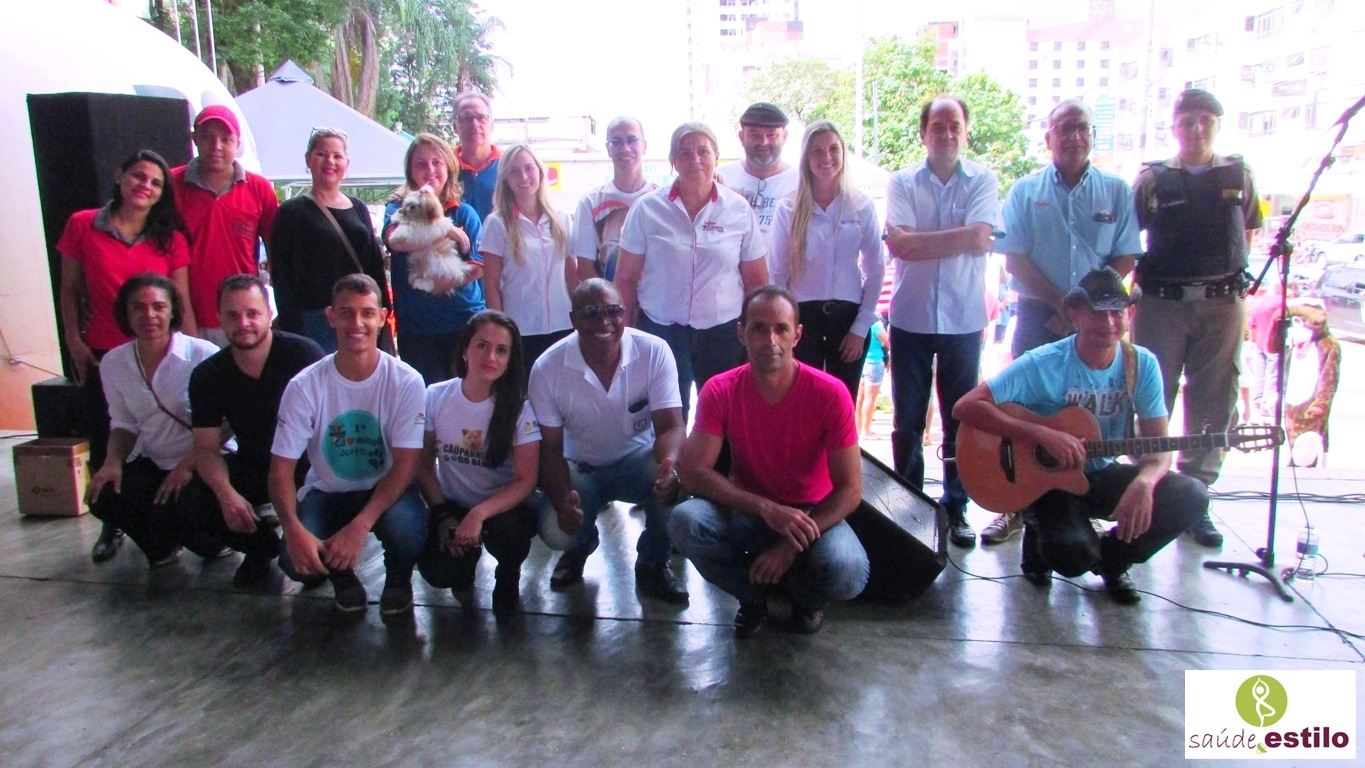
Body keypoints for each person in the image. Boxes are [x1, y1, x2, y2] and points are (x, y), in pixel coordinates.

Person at [953, 268, 1207, 603]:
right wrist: (1041, 434)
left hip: (1101, 474)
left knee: (1191, 495)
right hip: (1049, 485)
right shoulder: (1045, 362)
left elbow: (1159, 447)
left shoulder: (1141, 364)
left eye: (1117, 313)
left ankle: (1113, 561)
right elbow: (966, 407)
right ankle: (1043, 533)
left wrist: (1145, 482)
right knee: (1071, 556)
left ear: (1130, 314)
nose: (1109, 323)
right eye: (1098, 313)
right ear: (1075, 315)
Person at [980, 98, 1142, 548]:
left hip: (1100, 320)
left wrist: (1088, 311)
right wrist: (1065, 306)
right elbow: (1014, 257)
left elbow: (1126, 255)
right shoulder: (1025, 192)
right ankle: (1015, 506)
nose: (1074, 136)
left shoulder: (1116, 191)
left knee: (1096, 409)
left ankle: (1087, 500)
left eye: (1083, 128)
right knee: (1024, 408)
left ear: (1093, 135)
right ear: (1048, 137)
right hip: (1040, 315)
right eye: (1064, 128)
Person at [670, 286, 868, 637]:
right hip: (749, 509)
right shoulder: (720, 389)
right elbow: (693, 473)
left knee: (848, 569)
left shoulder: (830, 392)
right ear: (741, 333)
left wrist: (788, 546)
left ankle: (805, 600)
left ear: (797, 335)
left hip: (812, 515)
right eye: (758, 329)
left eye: (781, 329)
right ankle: (752, 597)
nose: (770, 340)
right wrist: (764, 507)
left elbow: (851, 489)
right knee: (685, 521)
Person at [1132, 88, 1263, 548]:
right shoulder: (1153, 179)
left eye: (1206, 120)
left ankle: (1195, 497)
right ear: (1174, 127)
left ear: (1218, 125)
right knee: (1151, 397)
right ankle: (1147, 491)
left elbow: (1247, 231)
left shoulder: (1238, 174)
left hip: (1221, 303)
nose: (1196, 129)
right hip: (1162, 302)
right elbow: (1131, 236)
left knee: (1213, 400)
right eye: (1187, 121)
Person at [57, 149, 196, 563]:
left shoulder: (170, 238)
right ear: (119, 176)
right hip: (103, 351)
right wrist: (74, 341)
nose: (145, 186)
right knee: (106, 433)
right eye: (138, 176)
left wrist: (193, 354)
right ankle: (112, 522)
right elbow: (69, 291)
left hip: (161, 349)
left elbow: (181, 299)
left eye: (155, 182)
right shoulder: (83, 224)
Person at [269, 274, 428, 618]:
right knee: (293, 560)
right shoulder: (304, 386)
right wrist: (293, 529)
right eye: (346, 313)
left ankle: (398, 579)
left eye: (367, 313)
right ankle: (342, 577)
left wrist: (360, 525)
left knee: (410, 533)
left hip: (387, 489)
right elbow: (280, 470)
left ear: (383, 318)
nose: (357, 323)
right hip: (328, 491)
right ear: (330, 317)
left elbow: (406, 465)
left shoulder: (406, 381)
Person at [883, 95, 1002, 549]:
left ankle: (956, 506)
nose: (946, 133)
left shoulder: (984, 180)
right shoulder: (902, 181)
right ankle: (908, 505)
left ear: (965, 131)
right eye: (937, 125)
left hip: (963, 320)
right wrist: (964, 238)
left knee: (960, 420)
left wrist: (920, 241)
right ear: (923, 132)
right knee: (907, 420)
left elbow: (981, 236)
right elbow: (902, 247)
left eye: (955, 125)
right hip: (910, 318)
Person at [529, 279, 689, 604]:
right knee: (556, 529)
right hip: (580, 471)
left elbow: (671, 426)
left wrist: (671, 468)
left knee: (677, 487)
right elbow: (550, 449)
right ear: (573, 320)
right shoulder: (547, 369)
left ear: (625, 313)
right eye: (591, 313)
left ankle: (653, 563)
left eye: (613, 311)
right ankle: (580, 544)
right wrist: (561, 501)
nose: (604, 321)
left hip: (638, 462)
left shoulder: (654, 351)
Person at [616, 122, 769, 419]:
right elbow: (625, 278)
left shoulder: (738, 210)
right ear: (673, 160)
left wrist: (755, 332)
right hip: (661, 331)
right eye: (684, 153)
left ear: (716, 157)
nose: (694, 160)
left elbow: (757, 283)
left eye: (703, 151)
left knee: (725, 416)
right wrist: (627, 333)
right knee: (666, 416)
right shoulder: (646, 209)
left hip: (723, 333)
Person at [189, 274, 324, 588]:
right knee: (193, 496)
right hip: (255, 465)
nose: (243, 323)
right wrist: (226, 494)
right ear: (219, 318)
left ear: (269, 313)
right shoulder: (208, 374)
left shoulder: (303, 354)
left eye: (252, 313)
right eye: (233, 315)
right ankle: (260, 547)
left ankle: (302, 542)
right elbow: (206, 448)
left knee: (308, 568)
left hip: (310, 471)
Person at [84, 273, 223, 568]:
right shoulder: (113, 362)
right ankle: (161, 547)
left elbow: (226, 425)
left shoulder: (203, 354)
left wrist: (187, 466)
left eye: (159, 306)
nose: (149, 315)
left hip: (207, 459)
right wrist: (112, 462)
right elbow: (123, 423)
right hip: (156, 460)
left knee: (185, 510)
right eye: (138, 307)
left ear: (173, 311)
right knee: (102, 495)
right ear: (125, 313)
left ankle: (214, 541)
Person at [416, 310, 547, 613]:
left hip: (503, 508)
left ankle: (508, 572)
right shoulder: (435, 396)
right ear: (465, 349)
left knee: (511, 534)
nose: (491, 357)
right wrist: (442, 515)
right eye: (482, 346)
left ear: (510, 359)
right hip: (452, 504)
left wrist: (479, 513)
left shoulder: (520, 408)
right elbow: (423, 465)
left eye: (502, 350)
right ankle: (464, 567)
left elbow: (527, 481)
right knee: (438, 572)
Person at [769, 119, 884, 400]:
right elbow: (777, 275)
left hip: (848, 321)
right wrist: (784, 328)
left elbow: (875, 271)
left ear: (843, 153)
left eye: (833, 149)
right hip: (801, 318)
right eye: (817, 150)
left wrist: (860, 329)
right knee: (802, 401)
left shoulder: (861, 206)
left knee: (842, 402)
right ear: (806, 157)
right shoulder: (788, 208)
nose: (826, 157)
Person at [271, 127, 389, 353]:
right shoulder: (291, 211)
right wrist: (291, 324)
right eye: (321, 154)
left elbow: (374, 262)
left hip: (359, 312)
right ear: (309, 159)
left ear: (347, 163)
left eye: (337, 156)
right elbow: (282, 275)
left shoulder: (358, 207)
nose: (330, 161)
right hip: (315, 318)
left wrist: (383, 307)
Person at [170, 105, 277, 347]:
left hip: (243, 318)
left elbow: (277, 252)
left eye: (225, 139)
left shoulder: (259, 188)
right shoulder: (171, 184)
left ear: (237, 142)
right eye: (207, 137)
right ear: (194, 138)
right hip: (188, 317)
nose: (216, 146)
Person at [383, 133, 484, 385]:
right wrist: (445, 229)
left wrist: (439, 285)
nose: (430, 170)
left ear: (448, 167)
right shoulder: (398, 208)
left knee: (468, 393)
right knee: (425, 397)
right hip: (418, 327)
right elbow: (397, 241)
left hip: (463, 320)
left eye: (436, 162)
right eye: (421, 163)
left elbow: (479, 266)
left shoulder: (464, 212)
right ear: (410, 171)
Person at [479, 144, 578, 366]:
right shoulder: (497, 223)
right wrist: (499, 329)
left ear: (540, 172)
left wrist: (580, 316)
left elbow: (571, 274)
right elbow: (491, 284)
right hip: (520, 330)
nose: (523, 177)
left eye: (528, 168)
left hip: (564, 325)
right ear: (506, 179)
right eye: (514, 171)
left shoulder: (561, 219)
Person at [572, 116, 658, 282]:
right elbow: (585, 268)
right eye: (616, 142)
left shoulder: (664, 201)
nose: (625, 148)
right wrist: (614, 299)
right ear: (608, 149)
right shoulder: (589, 203)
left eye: (632, 139)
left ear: (644, 146)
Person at [718, 101, 799, 242]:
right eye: (754, 135)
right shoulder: (719, 179)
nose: (764, 142)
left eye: (772, 135)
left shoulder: (802, 182)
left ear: (785, 136)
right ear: (742, 137)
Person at [452, 91, 500, 219]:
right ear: (455, 127)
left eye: (481, 117)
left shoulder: (508, 168)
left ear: (492, 125)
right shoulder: (444, 168)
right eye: (466, 118)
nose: (474, 124)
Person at [856, 316, 890, 439]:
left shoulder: (860, 324)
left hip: (863, 363)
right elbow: (889, 341)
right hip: (874, 363)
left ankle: (858, 427)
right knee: (870, 398)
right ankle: (866, 430)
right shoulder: (875, 326)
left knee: (860, 397)